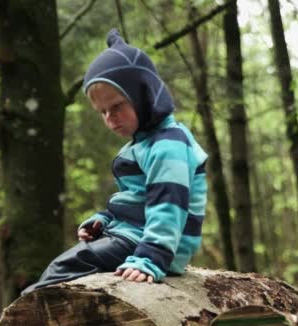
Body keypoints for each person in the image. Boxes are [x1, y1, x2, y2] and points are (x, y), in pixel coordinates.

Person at [21, 28, 207, 295]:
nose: (110, 118)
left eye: (117, 106)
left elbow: (169, 206)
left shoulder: (168, 144)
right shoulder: (145, 143)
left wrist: (151, 258)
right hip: (136, 239)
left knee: (65, 268)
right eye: (103, 112)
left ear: (144, 94)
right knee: (67, 269)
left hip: (150, 247)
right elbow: (137, 201)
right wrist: (104, 221)